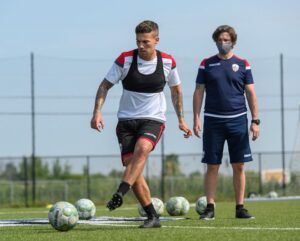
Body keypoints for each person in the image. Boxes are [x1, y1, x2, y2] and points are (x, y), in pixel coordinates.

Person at [90, 20, 192, 228]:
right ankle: (152, 216)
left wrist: (181, 119)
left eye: (146, 41)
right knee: (133, 169)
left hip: (153, 119)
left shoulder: (168, 62)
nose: (141, 45)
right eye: (138, 41)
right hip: (126, 121)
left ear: (157, 40)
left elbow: (176, 91)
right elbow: (104, 86)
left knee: (143, 148)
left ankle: (121, 191)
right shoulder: (125, 59)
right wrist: (97, 112)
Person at [193, 25, 260, 220]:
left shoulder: (243, 64)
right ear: (215, 41)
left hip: (238, 121)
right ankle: (210, 208)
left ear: (233, 41)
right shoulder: (206, 64)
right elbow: (199, 91)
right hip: (213, 122)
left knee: (239, 165)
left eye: (226, 39)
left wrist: (255, 121)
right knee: (212, 165)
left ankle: (240, 208)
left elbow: (251, 93)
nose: (223, 43)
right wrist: (196, 118)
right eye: (220, 39)